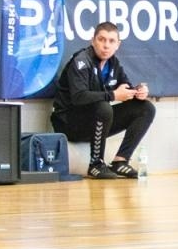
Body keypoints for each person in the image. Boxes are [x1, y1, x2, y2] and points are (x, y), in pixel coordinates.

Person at [51, 21, 155, 179]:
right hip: (69, 123)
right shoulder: (81, 61)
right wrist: (113, 95)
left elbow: (125, 88)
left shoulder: (114, 64)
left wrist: (138, 92)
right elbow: (79, 97)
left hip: (95, 122)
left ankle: (120, 161)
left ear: (118, 45)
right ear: (93, 41)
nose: (106, 45)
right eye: (102, 39)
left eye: (111, 41)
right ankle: (96, 164)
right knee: (104, 106)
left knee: (146, 108)